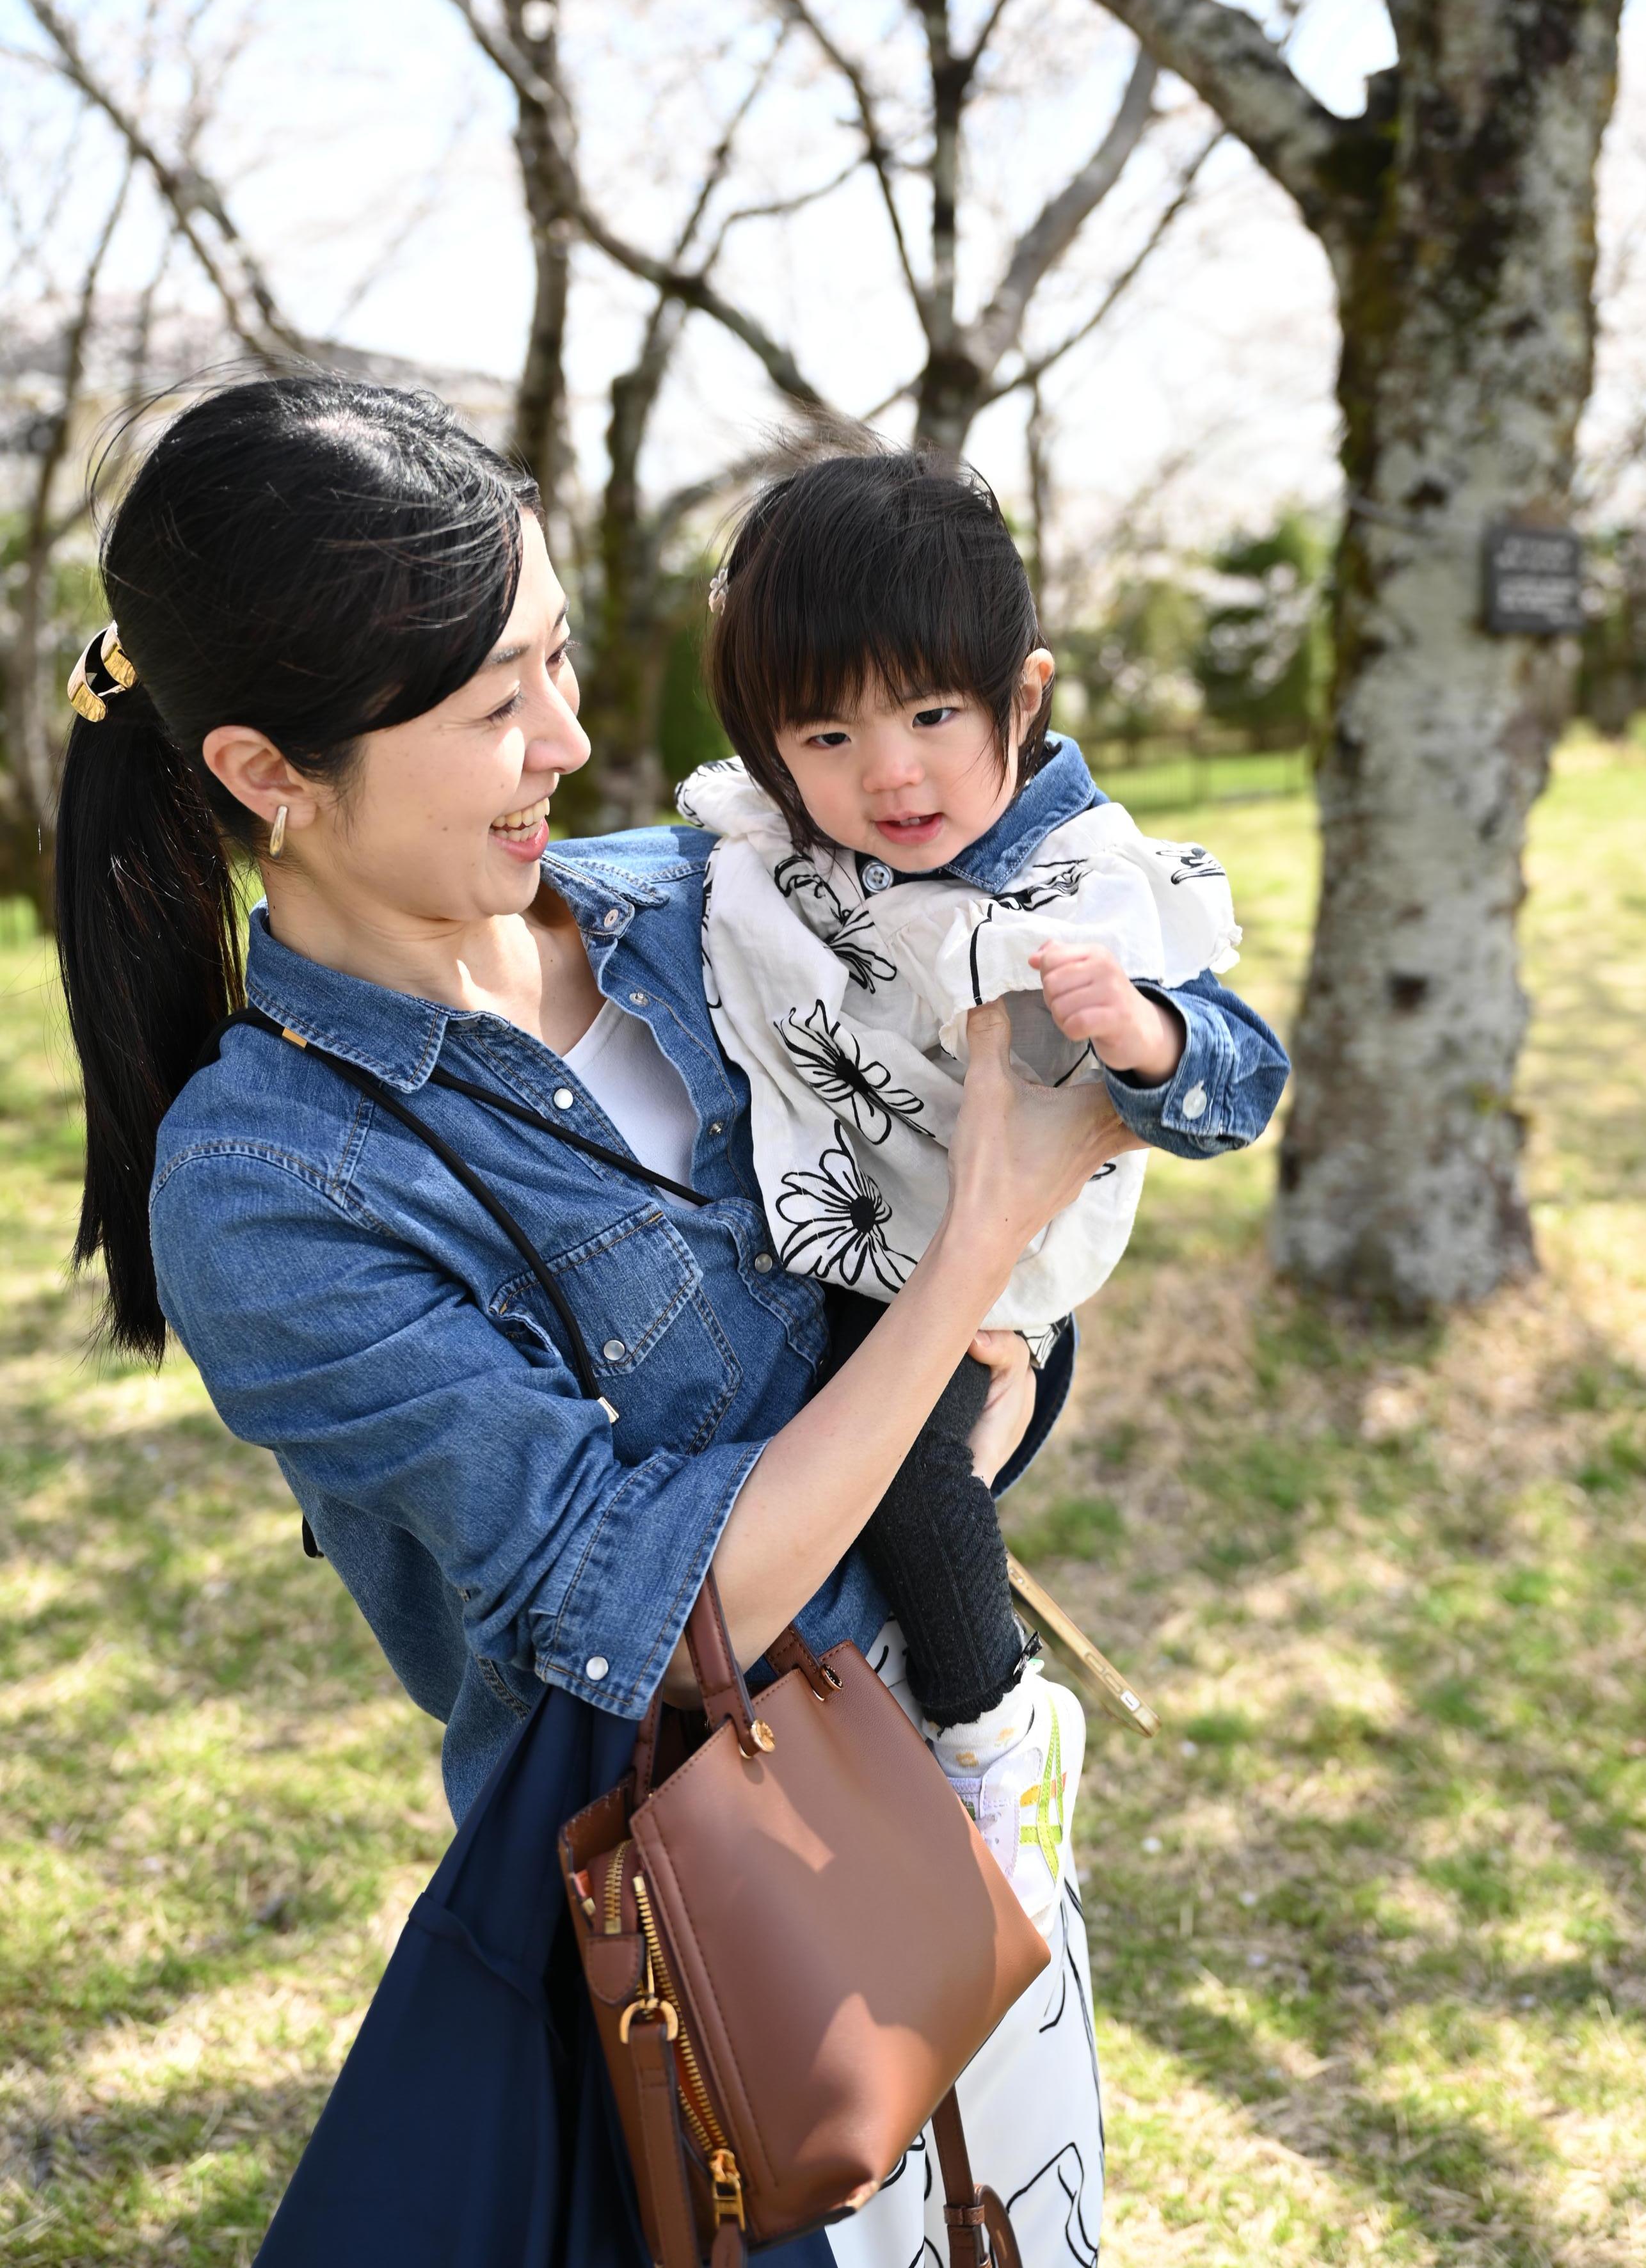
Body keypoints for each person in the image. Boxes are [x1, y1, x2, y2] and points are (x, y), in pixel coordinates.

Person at [53, 374, 1167, 2267]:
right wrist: (979, 1242)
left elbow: (987, 1352)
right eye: (495, 707)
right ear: (267, 773)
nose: (567, 738)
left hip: (969, 1795)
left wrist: (971, 1399)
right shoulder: (271, 1184)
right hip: (733, 1931)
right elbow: (666, 1611)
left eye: (555, 663)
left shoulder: (706, 906)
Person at [680, 440, 1290, 1931]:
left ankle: (999, 1733)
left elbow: (1244, 1080)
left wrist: (1140, 1030)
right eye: (824, 734)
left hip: (990, 1289)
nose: (888, 774)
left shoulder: (1081, 878)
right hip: (855, 1260)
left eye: (934, 713)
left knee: (901, 1464)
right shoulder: (773, 853)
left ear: (1023, 694)